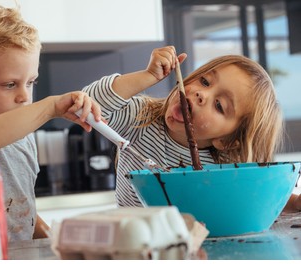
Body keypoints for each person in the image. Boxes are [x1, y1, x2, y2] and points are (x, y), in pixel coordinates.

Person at [0, 4, 102, 242]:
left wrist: (53, 242)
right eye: (9, 84)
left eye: (30, 82)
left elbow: (21, 210)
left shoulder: (24, 136)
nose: (25, 96)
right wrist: (50, 107)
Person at [83, 46, 301, 211]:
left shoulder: (223, 169)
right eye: (205, 81)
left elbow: (255, 199)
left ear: (226, 141)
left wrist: (296, 203)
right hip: (133, 244)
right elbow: (88, 104)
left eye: (219, 105)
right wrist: (148, 76)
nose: (202, 94)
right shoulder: (141, 118)